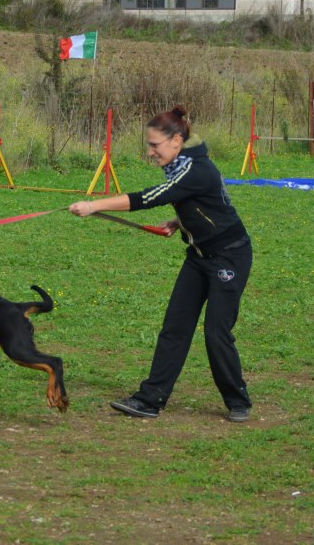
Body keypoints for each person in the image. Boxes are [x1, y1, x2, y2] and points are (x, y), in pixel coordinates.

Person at [69, 105, 253, 422]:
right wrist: (182, 221)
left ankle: (238, 401)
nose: (150, 152)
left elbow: (149, 197)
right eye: (149, 145)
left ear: (176, 141)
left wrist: (93, 205)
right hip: (198, 256)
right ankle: (150, 399)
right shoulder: (183, 165)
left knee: (216, 332)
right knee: (175, 328)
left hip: (229, 256)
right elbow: (205, 201)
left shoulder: (195, 169)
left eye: (155, 145)